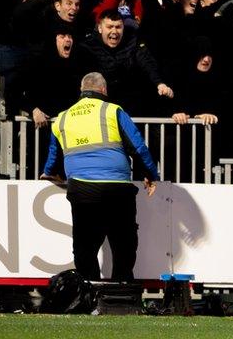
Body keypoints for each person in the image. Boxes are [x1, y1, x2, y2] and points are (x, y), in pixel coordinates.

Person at [39, 72, 159, 281]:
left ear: (81, 90)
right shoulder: (112, 110)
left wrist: (48, 173)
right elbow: (137, 146)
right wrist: (150, 173)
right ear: (104, 90)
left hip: (82, 191)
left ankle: (89, 293)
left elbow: (53, 154)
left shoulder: (62, 118)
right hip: (117, 189)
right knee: (123, 244)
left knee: (84, 246)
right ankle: (121, 291)